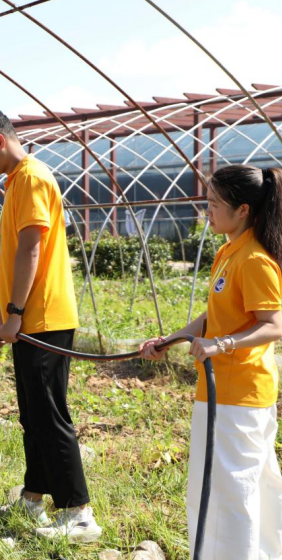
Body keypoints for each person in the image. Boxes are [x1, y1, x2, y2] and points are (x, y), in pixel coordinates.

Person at [0, 109, 102, 542]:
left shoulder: (31, 178)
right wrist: (6, 317)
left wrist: (17, 312)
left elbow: (30, 249)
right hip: (27, 318)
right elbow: (15, 257)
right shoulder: (17, 182)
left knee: (49, 414)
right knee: (33, 414)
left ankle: (78, 513)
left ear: (0, 141)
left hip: (42, 317)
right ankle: (33, 497)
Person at [140, 165, 282, 559]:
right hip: (225, 391)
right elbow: (212, 317)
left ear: (243, 210)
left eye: (215, 203)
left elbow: (275, 325)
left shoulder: (254, 259)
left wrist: (221, 345)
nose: (208, 210)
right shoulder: (229, 251)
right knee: (248, 486)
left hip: (239, 394)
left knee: (230, 492)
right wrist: (170, 341)